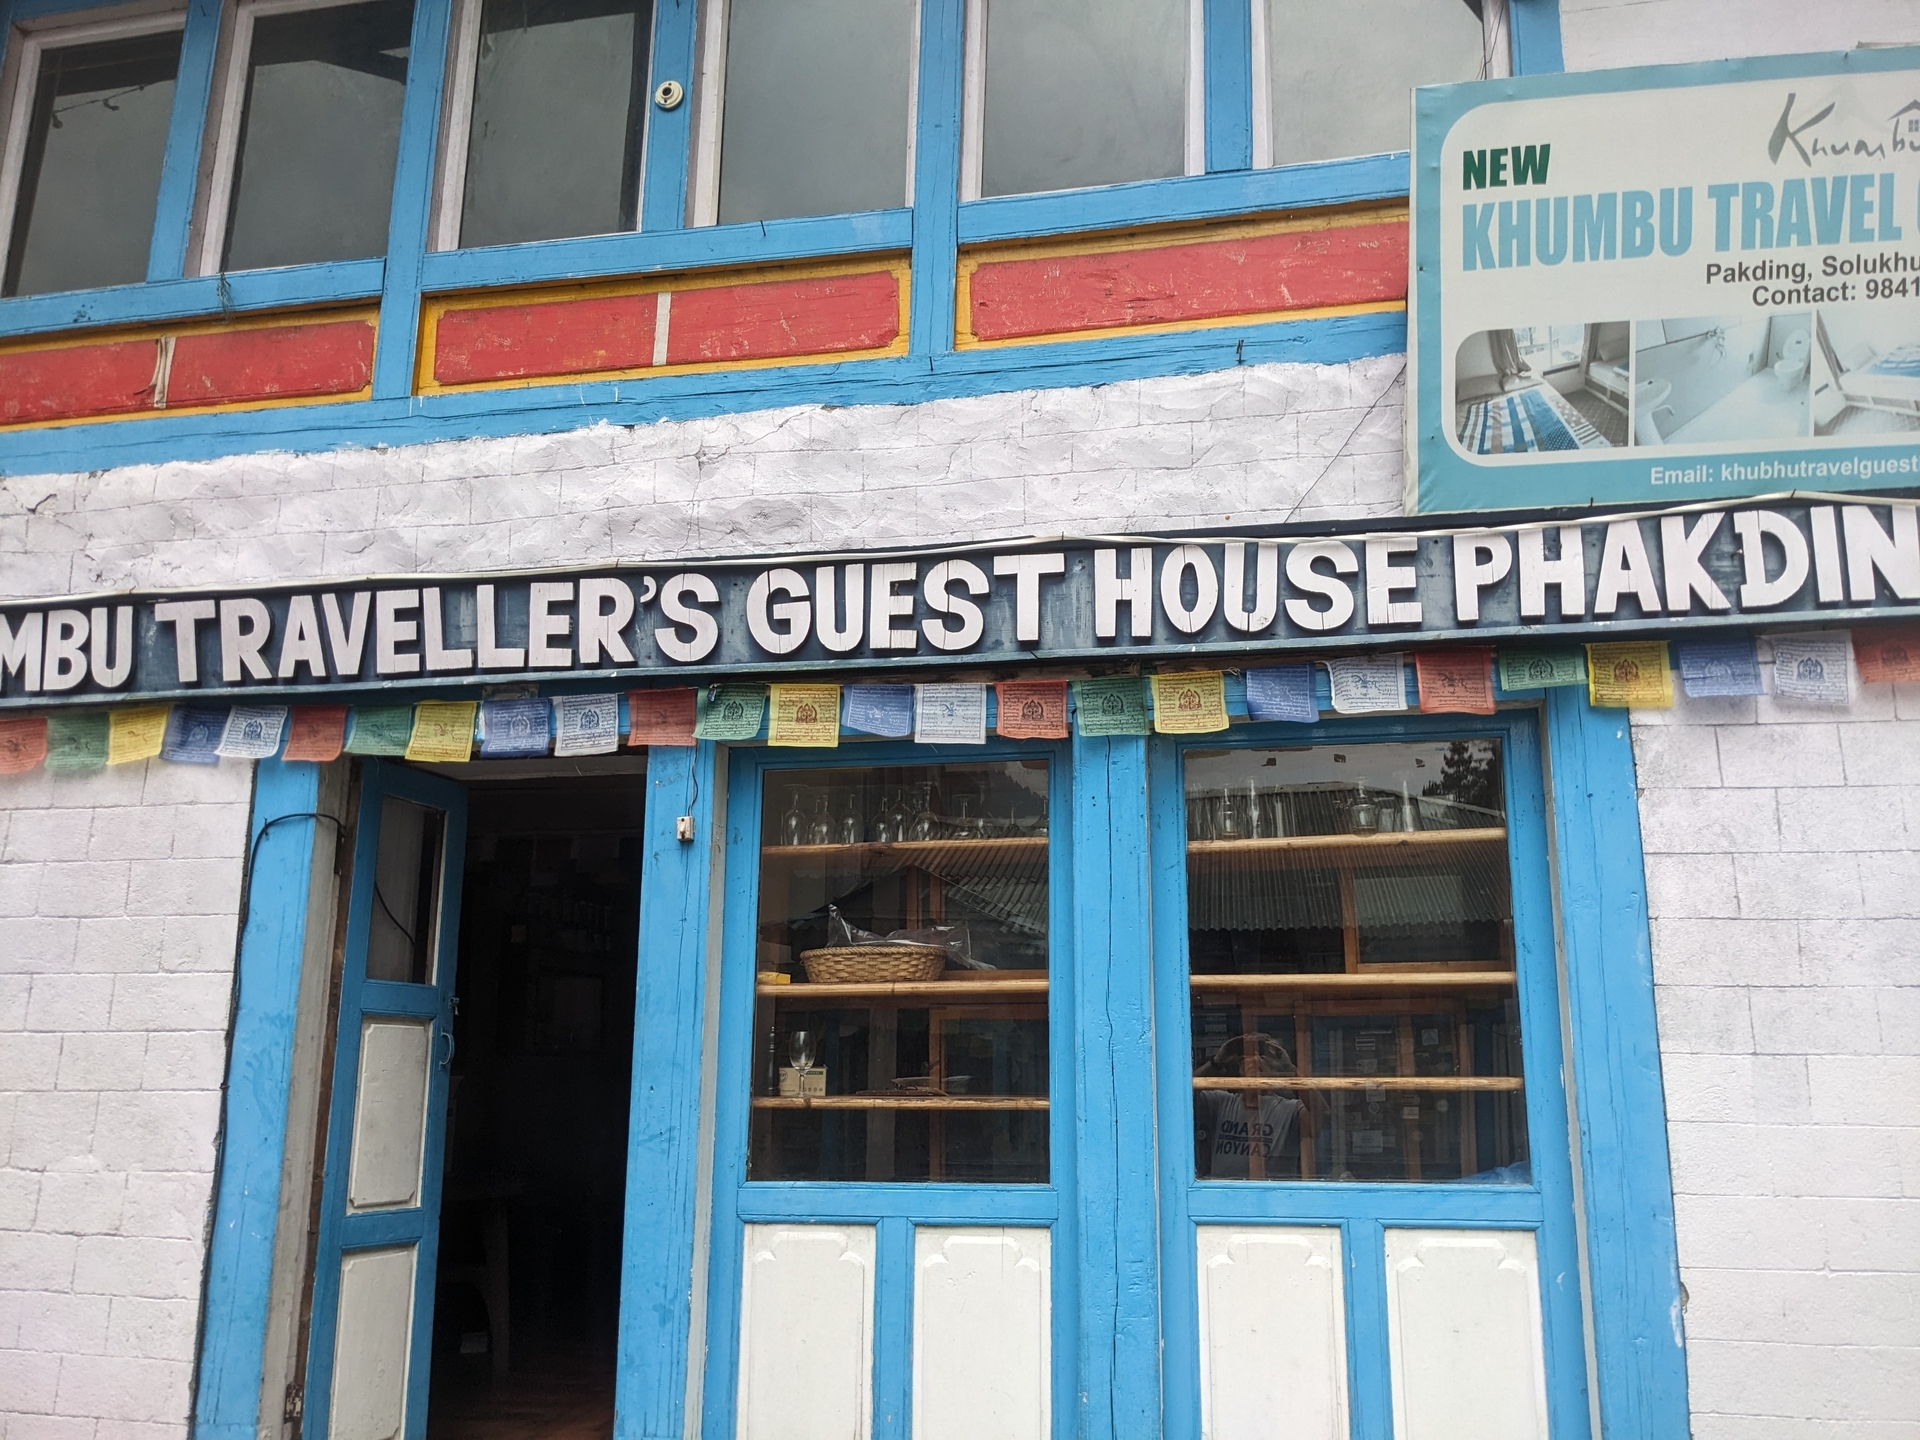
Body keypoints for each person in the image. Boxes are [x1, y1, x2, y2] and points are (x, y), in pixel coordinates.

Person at [1193, 1032, 1327, 1179]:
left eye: (1264, 1056)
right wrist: (1217, 1062)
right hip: (1223, 1191)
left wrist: (1290, 1069)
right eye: (1249, 1055)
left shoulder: (1290, 1110)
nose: (1256, 1060)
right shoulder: (1221, 1102)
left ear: (1276, 1070)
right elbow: (1182, 1097)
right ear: (1240, 1067)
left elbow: (1321, 1113)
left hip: (1270, 1191)